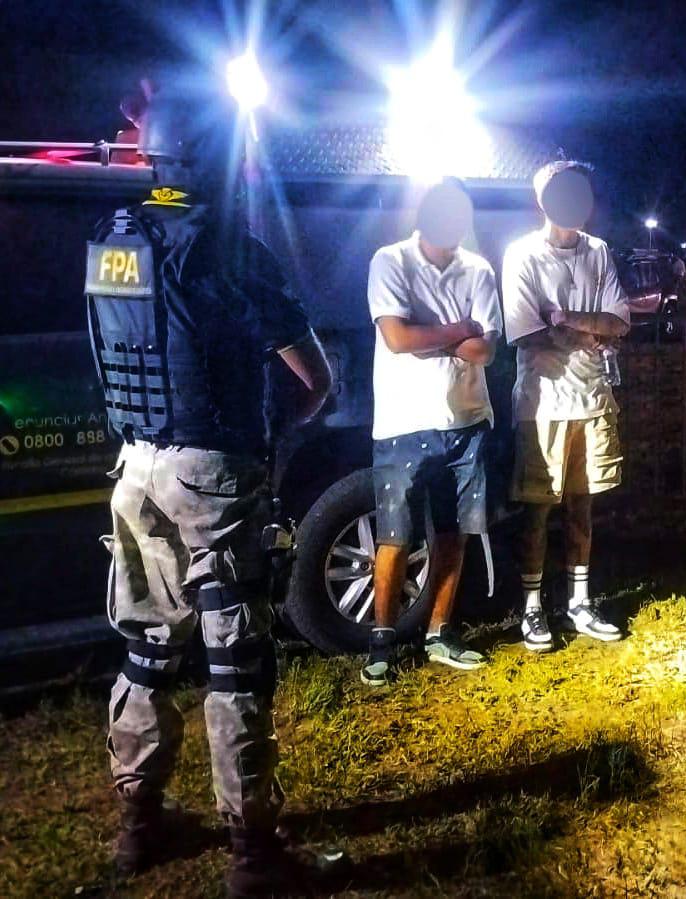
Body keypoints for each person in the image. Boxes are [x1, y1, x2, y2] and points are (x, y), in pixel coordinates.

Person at [89, 91, 336, 896]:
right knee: (236, 661)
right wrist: (269, 439)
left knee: (147, 650)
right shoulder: (234, 251)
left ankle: (139, 824)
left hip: (135, 468)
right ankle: (253, 855)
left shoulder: (113, 239)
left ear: (153, 157)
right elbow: (314, 380)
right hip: (214, 473)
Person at [361, 177, 503, 685]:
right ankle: (381, 643)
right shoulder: (390, 261)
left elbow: (486, 350)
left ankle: (440, 633)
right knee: (394, 536)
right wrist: (458, 330)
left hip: (467, 420)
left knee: (453, 533)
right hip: (402, 421)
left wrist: (429, 336)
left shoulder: (478, 269)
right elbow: (397, 338)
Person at [503, 160, 630, 652]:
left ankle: (579, 602)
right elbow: (526, 333)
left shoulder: (598, 251)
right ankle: (532, 608)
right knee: (537, 509)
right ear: (542, 200)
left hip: (593, 398)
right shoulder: (522, 254)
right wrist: (590, 332)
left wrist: (567, 320)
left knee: (583, 504)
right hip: (543, 403)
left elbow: (620, 321)